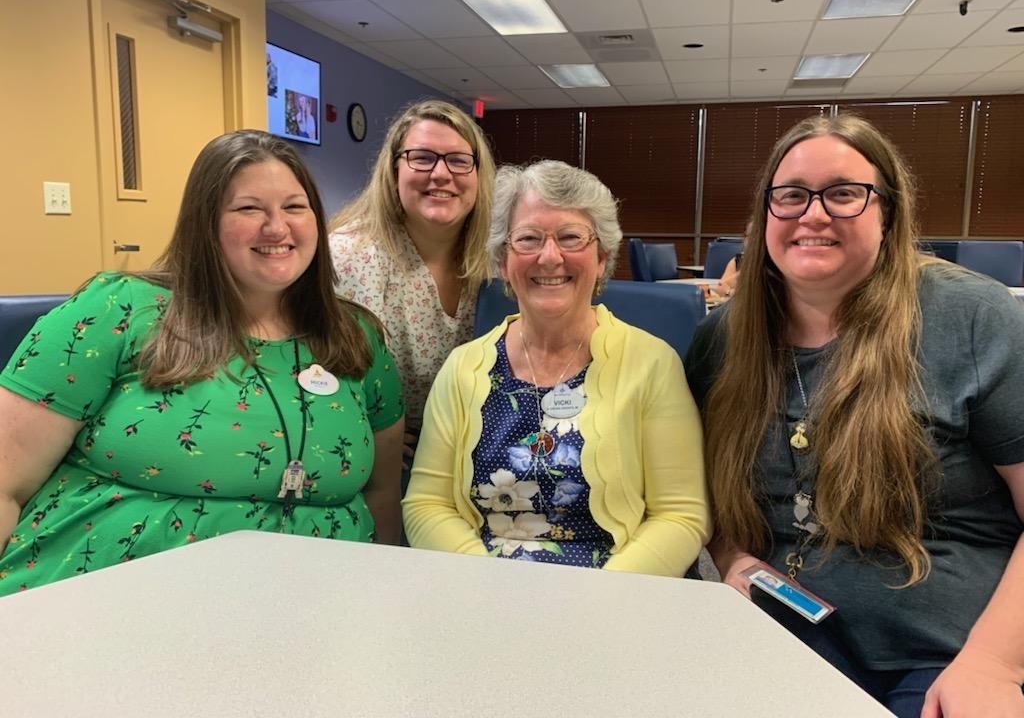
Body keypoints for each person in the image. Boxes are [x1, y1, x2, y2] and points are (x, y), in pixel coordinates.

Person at [684, 114, 1024, 717]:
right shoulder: (724, 340)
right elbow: (704, 492)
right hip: (777, 638)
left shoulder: (973, 318)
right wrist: (732, 557)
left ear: (887, 213)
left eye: (843, 193)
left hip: (948, 650)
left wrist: (994, 666)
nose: (813, 214)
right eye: (791, 195)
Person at [0, 130, 405, 596]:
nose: (277, 227)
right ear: (205, 224)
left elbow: (381, 493)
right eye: (249, 208)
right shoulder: (119, 310)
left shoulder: (355, 337)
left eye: (295, 207)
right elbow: (6, 483)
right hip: (99, 597)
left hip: (308, 604)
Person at [403, 160, 710, 576]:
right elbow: (426, 504)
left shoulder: (652, 364)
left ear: (601, 258)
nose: (550, 257)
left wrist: (600, 599)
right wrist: (486, 586)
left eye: (570, 237)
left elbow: (681, 515)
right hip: (481, 585)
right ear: (503, 262)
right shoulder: (462, 368)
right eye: (528, 239)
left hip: (614, 591)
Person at [328, 99, 495, 465]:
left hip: (476, 445)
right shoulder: (347, 256)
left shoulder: (498, 259)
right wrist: (372, 428)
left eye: (458, 160)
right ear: (394, 170)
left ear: (478, 175)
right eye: (422, 157)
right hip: (381, 453)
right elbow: (314, 370)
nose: (441, 174)